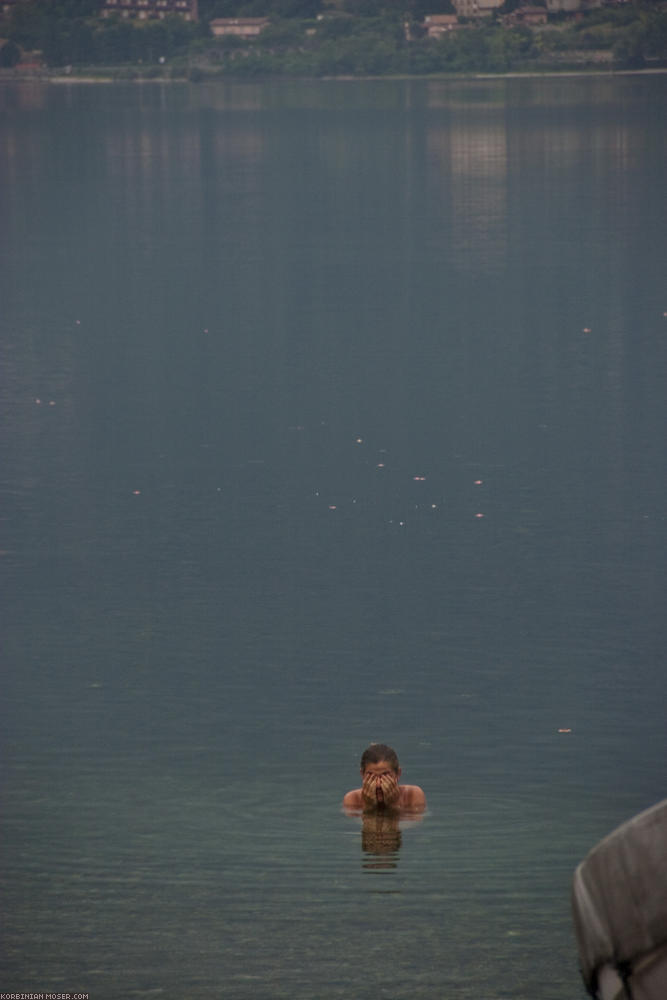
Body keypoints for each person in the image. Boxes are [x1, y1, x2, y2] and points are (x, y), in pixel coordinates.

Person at [342, 743, 426, 814]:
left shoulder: (412, 796)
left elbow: (411, 828)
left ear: (398, 774)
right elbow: (365, 831)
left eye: (385, 775)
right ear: (362, 775)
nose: (378, 784)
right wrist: (369, 807)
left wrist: (393, 804)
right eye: (371, 776)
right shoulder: (353, 799)